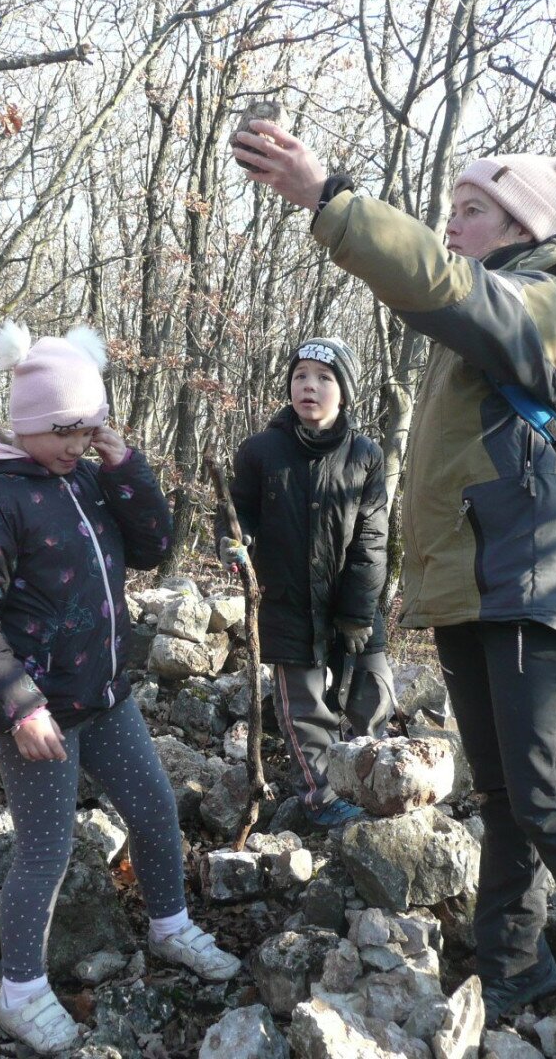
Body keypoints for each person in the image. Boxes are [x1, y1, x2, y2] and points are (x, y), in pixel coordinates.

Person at [234, 125, 556, 1058]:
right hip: (483, 587)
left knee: (548, 796)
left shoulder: (542, 303)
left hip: (533, 586)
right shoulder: (491, 318)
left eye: (470, 210)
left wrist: (330, 200)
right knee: (507, 795)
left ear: (520, 225)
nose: (452, 222)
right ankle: (516, 965)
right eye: (453, 209)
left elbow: (437, 282)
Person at [0, 322, 239, 1054]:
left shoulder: (90, 477)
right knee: (48, 845)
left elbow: (156, 545)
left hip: (105, 694)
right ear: (30, 423)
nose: (76, 442)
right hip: (37, 710)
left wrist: (123, 460)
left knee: (155, 807)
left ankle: (169, 926)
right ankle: (21, 990)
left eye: (87, 427)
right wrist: (18, 706)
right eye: (64, 430)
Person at [218, 336, 393, 830]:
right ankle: (322, 798)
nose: (309, 387)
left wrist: (358, 612)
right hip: (287, 603)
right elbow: (236, 515)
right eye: (300, 377)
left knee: (371, 698)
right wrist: (235, 544)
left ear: (345, 391)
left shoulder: (366, 455)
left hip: (354, 602)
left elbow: (372, 538)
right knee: (306, 708)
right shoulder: (260, 451)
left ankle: (375, 790)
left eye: (324, 378)